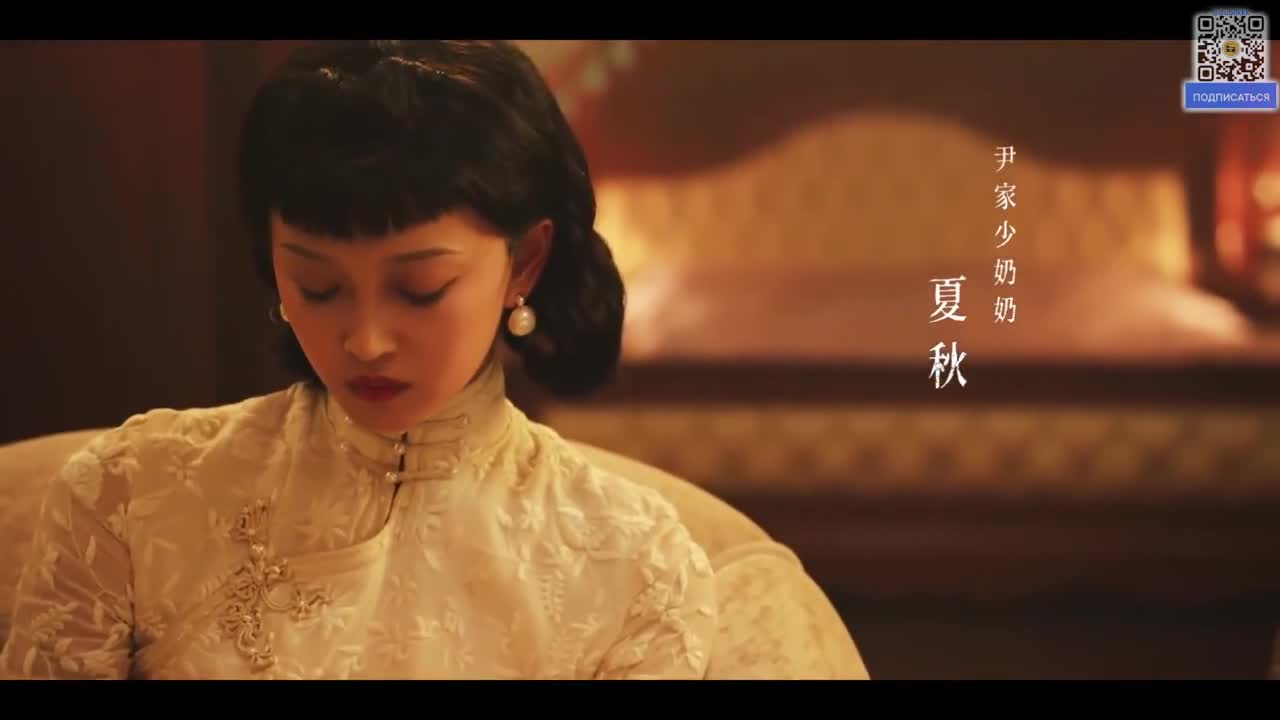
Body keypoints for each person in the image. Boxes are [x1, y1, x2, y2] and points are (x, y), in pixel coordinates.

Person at [0, 40, 716, 680]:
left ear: (524, 262)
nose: (366, 340)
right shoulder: (126, 498)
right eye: (318, 286)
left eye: (420, 288)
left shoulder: (633, 565)